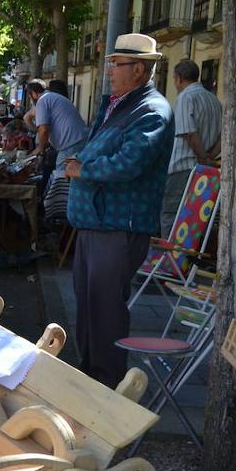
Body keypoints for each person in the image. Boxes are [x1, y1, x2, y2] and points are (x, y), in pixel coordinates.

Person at [64, 33, 174, 385]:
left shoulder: (152, 111)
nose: (110, 69)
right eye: (110, 62)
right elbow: (99, 147)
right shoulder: (119, 104)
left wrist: (83, 169)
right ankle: (89, 377)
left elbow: (129, 163)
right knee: (88, 305)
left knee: (105, 309)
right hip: (96, 223)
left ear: (139, 69)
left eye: (117, 63)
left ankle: (106, 385)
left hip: (117, 226)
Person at [162, 59, 222, 233]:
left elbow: (189, 132)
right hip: (205, 171)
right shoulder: (214, 100)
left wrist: (203, 157)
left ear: (179, 78)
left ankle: (172, 259)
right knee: (194, 220)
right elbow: (223, 136)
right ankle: (187, 257)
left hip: (183, 167)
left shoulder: (185, 97)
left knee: (171, 216)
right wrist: (210, 157)